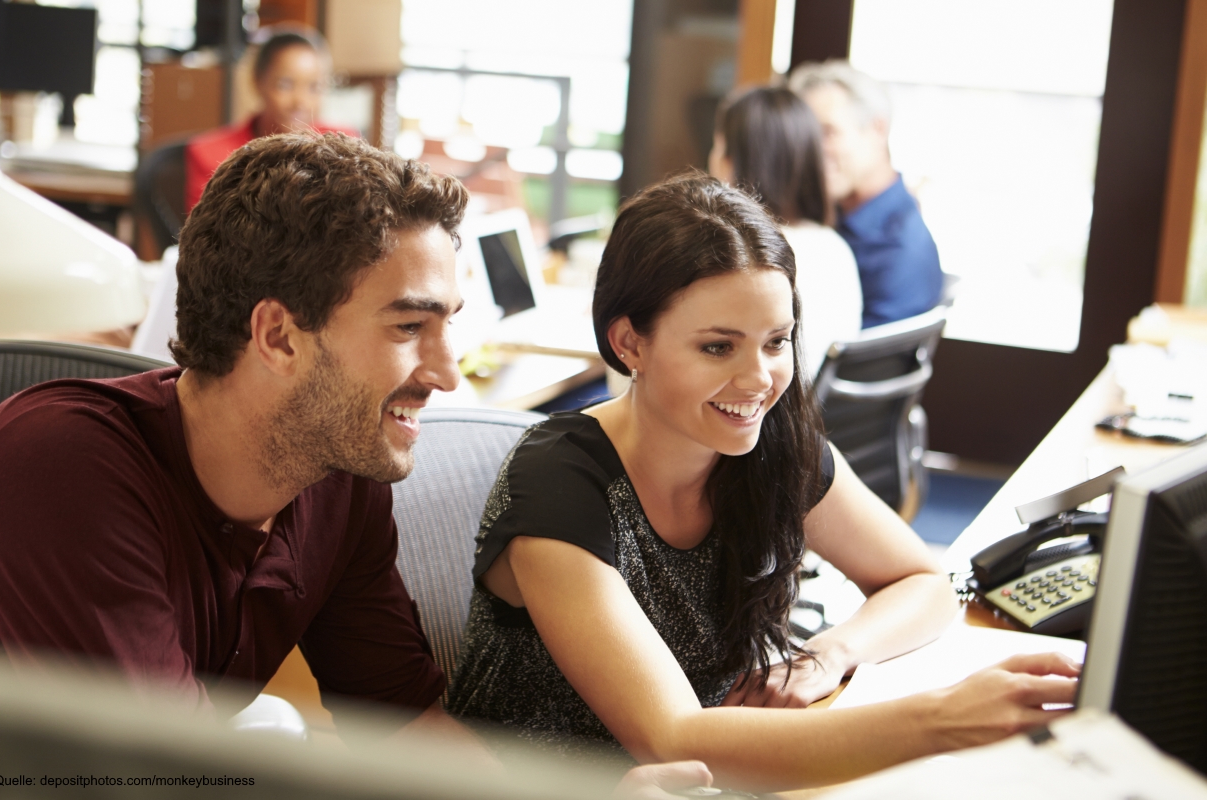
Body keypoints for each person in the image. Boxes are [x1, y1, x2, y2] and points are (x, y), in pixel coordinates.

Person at [0, 131, 712, 799]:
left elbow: (405, 731)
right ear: (278, 336)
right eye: (407, 326)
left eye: (447, 325)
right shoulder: (59, 467)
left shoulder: (340, 482)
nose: (447, 372)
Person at [447, 174, 1079, 791]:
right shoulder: (558, 480)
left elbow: (922, 583)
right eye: (719, 348)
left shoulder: (773, 446)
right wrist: (942, 719)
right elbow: (673, 738)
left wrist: (833, 652)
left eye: (777, 342)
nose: (759, 380)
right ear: (629, 343)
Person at [708, 85, 861, 373]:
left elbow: (634, 382)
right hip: (809, 414)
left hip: (753, 411)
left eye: (717, 146)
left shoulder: (738, 257)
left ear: (730, 163)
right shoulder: (836, 248)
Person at [789, 61, 943, 328]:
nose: (811, 150)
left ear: (877, 129)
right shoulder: (831, 215)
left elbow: (860, 366)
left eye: (828, 132)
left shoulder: (899, 247)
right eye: (805, 135)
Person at [184, 29, 352, 212]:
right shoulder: (211, 155)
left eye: (315, 87)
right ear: (258, 81)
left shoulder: (341, 147)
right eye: (285, 85)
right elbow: (208, 232)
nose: (300, 101)